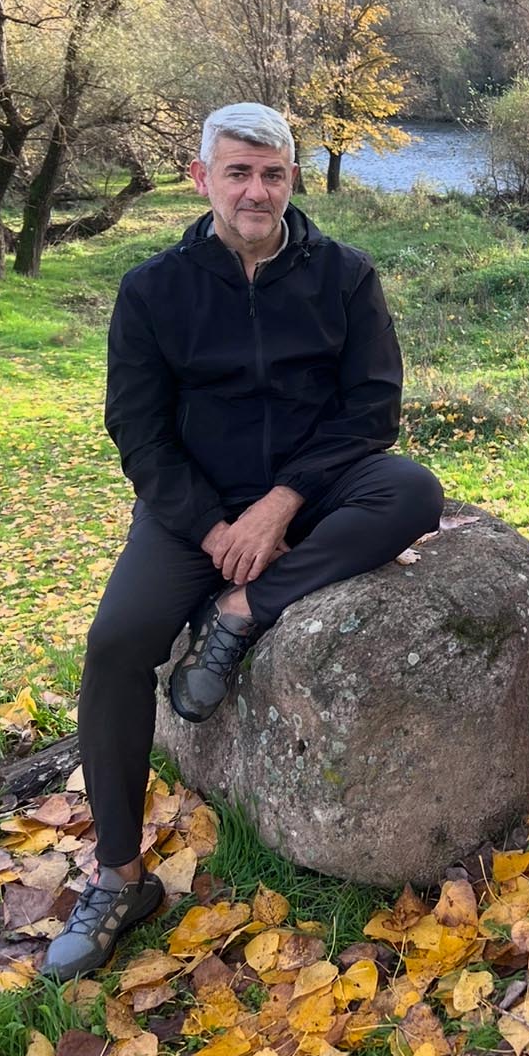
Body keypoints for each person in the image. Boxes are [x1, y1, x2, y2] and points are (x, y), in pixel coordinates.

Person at [42, 104, 443, 978]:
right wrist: (214, 527)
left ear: (291, 177)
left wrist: (281, 507)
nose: (256, 191)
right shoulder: (154, 290)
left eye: (271, 173)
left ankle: (244, 610)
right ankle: (118, 877)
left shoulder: (345, 276)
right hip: (195, 507)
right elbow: (139, 432)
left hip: (315, 487)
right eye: (237, 173)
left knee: (412, 489)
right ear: (202, 179)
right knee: (116, 645)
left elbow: (371, 410)